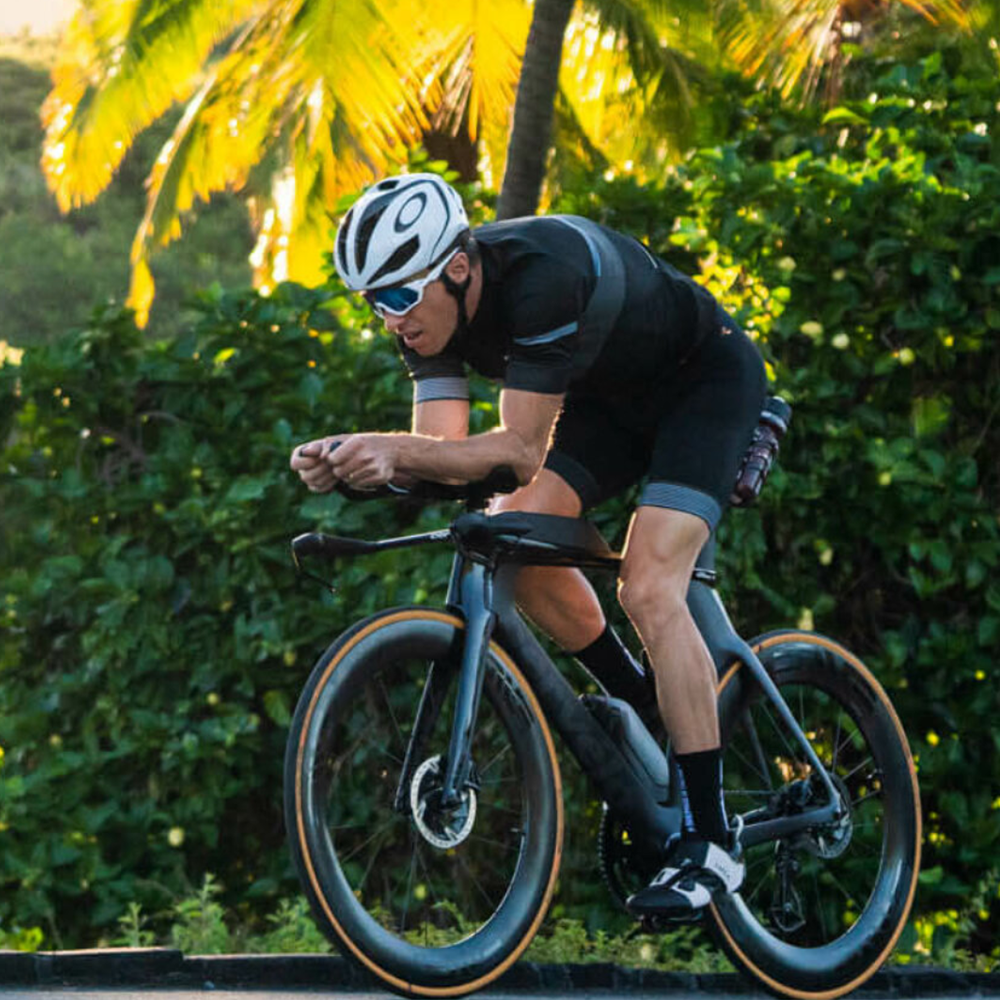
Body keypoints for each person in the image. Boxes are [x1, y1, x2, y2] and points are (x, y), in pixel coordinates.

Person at [290, 172, 766, 917]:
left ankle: (712, 842)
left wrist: (392, 450)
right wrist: (354, 469)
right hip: (607, 407)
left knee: (647, 582)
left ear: (454, 266)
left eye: (397, 297)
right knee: (512, 537)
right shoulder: (430, 321)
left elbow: (511, 452)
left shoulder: (543, 277)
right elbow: (443, 457)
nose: (391, 321)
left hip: (702, 386)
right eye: (374, 303)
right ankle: (645, 704)